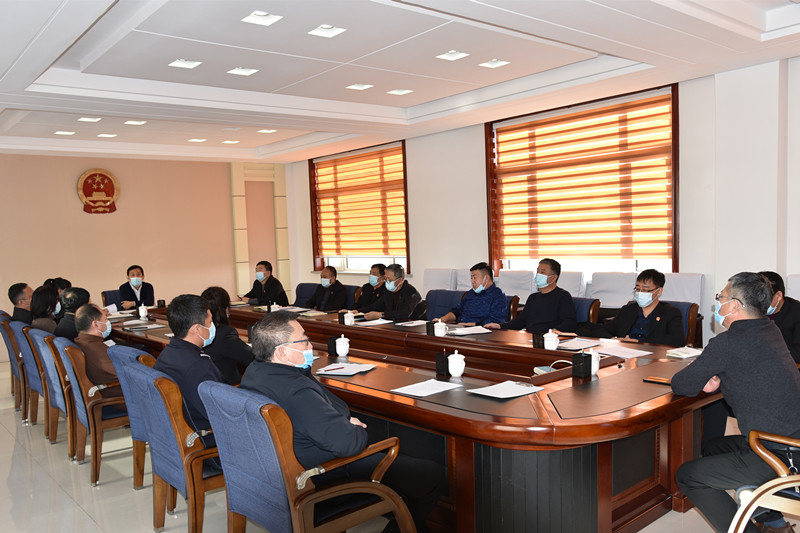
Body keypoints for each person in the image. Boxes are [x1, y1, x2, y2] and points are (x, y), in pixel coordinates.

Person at [240, 311, 444, 533]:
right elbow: (349, 444)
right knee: (430, 474)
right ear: (282, 352)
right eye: (304, 341)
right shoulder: (295, 390)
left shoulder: (255, 371)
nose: (310, 346)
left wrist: (343, 421)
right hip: (325, 473)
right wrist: (353, 427)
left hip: (282, 471)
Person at [672, 272, 800, 533]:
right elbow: (750, 369)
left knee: (688, 476)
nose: (718, 303)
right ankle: (773, 523)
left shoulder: (728, 342)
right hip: (787, 439)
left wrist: (714, 375)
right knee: (714, 448)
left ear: (734, 306)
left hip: (783, 452)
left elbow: (682, 384)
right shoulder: (770, 329)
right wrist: (721, 374)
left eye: (721, 297)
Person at [153, 294, 224, 447]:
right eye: (210, 322)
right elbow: (218, 414)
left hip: (176, 436)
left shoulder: (167, 353)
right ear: (197, 329)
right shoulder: (198, 366)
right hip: (206, 441)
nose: (213, 326)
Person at [577, 269, 685, 346]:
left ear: (659, 291)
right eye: (637, 289)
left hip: (653, 357)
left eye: (645, 289)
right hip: (625, 354)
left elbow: (678, 340)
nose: (640, 293)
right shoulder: (628, 310)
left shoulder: (670, 313)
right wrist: (614, 339)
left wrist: (639, 342)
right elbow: (604, 329)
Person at [486, 258, 576, 333]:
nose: (538, 275)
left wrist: (554, 332)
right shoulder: (533, 297)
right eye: (538, 271)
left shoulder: (563, 296)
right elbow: (521, 321)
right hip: (530, 337)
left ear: (553, 277)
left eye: (542, 272)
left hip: (550, 339)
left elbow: (569, 322)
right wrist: (500, 326)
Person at [201, 286, 253, 385]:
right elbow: (251, 358)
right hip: (229, 387)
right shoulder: (225, 334)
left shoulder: (199, 330)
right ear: (226, 309)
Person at [434, 262, 508, 326]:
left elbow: (496, 321)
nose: (472, 281)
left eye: (475, 278)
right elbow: (457, 311)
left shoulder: (498, 295)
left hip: (481, 332)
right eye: (471, 278)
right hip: (461, 328)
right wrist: (441, 320)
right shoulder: (471, 293)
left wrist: (471, 325)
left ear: (486, 278)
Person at [74, 303, 123, 399]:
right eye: (105, 319)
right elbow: (122, 374)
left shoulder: (80, 341)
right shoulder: (97, 350)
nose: (108, 322)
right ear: (95, 324)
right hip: (117, 397)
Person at [760, 271, 800, 364]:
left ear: (778, 296)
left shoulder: (797, 312)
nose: (759, 302)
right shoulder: (751, 311)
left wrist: (766, 356)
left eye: (764, 298)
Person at [357, 264, 421, 321]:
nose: (387, 282)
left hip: (413, 324)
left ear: (400, 280)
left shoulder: (411, 292)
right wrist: (358, 311)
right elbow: (376, 305)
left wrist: (382, 315)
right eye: (385, 279)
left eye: (389, 280)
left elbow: (405, 313)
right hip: (393, 323)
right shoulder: (388, 290)